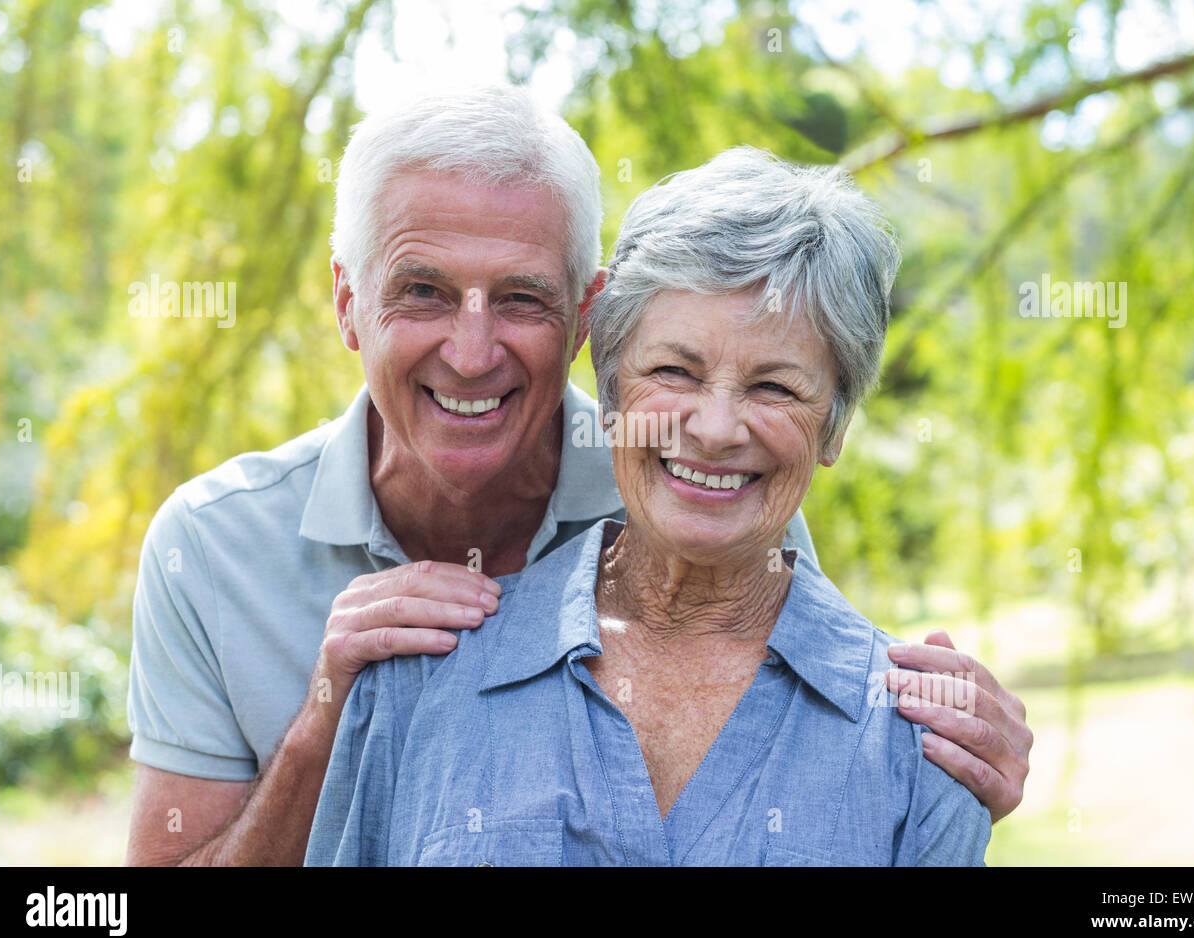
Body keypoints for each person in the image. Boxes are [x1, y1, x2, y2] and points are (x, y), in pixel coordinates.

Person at [126, 87, 1031, 866]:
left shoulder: (712, 498)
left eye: (521, 297)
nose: (473, 352)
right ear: (348, 304)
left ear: (584, 323)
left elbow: (803, 720)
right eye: (424, 291)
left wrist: (958, 751)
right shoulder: (210, 548)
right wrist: (329, 718)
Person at [305, 146, 989, 865]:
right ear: (610, 396)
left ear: (834, 427)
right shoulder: (415, 681)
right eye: (673, 371)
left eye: (776, 388)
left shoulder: (925, 742)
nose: (717, 429)